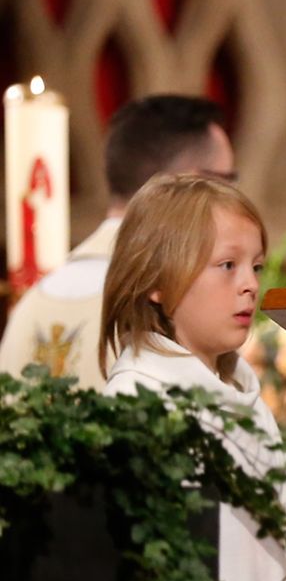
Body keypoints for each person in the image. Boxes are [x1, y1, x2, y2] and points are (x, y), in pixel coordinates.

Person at [101, 173, 286, 581]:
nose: (250, 284)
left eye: (256, 266)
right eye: (228, 265)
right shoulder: (141, 404)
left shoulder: (238, 390)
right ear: (157, 279)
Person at [0, 94, 234, 389]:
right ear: (192, 182)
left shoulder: (31, 303)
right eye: (227, 181)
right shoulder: (172, 301)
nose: (231, 202)